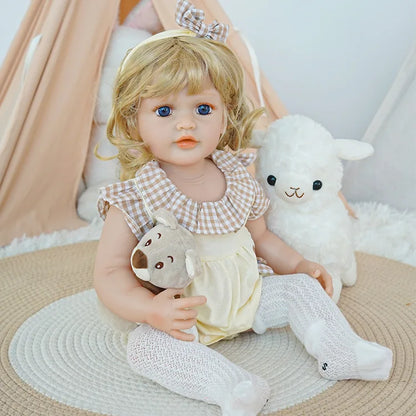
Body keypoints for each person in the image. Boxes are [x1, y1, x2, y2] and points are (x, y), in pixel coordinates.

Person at [94, 1, 392, 414]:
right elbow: (108, 273)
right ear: (134, 121)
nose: (186, 124)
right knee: (143, 348)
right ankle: (231, 386)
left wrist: (299, 265)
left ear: (224, 116)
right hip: (185, 315)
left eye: (202, 109)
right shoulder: (136, 194)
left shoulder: (234, 174)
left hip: (248, 297)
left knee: (302, 291)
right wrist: (150, 308)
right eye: (164, 110)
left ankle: (341, 351)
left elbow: (261, 238)